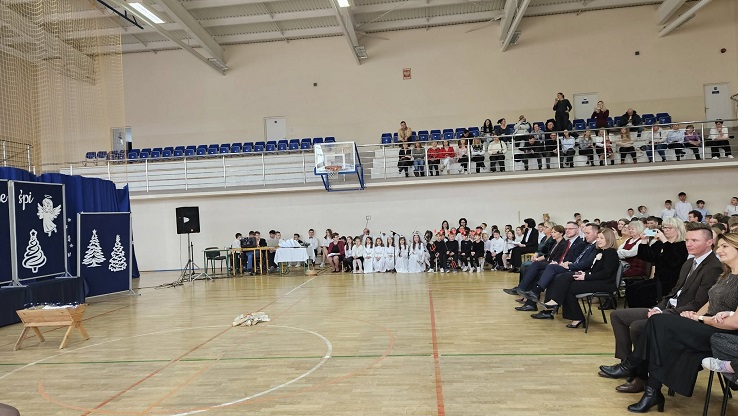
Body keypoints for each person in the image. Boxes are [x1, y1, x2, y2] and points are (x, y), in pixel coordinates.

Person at [611, 233, 738, 413]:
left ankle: (633, 367)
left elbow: (733, 323)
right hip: (707, 324)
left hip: (723, 335)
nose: (719, 250)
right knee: (660, 330)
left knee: (660, 323)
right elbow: (710, 303)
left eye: (725, 246)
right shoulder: (727, 274)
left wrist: (699, 319)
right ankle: (651, 391)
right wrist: (694, 315)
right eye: (720, 246)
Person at [599, 223, 721, 393]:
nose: (689, 244)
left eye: (694, 240)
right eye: (687, 240)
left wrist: (663, 312)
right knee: (618, 316)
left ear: (709, 242)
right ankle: (628, 365)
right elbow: (674, 292)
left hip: (685, 315)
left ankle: (640, 376)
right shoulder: (689, 262)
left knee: (638, 326)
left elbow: (698, 304)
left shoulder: (713, 267)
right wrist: (658, 307)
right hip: (670, 308)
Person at [533, 228, 620, 327]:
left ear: (609, 239)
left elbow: (606, 273)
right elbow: (595, 270)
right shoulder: (603, 251)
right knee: (565, 278)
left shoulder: (611, 253)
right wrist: (583, 273)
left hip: (605, 283)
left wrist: (586, 277)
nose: (598, 240)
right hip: (596, 279)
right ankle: (565, 308)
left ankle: (567, 309)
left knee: (569, 286)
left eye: (602, 238)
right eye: (598, 238)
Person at [626, 217, 688, 308]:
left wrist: (665, 241)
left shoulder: (682, 245)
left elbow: (673, 262)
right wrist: (644, 241)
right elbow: (647, 257)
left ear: (678, 229)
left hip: (671, 282)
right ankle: (634, 313)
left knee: (641, 292)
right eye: (664, 227)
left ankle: (647, 313)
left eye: (669, 228)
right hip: (658, 280)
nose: (666, 230)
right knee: (631, 289)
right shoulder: (659, 244)